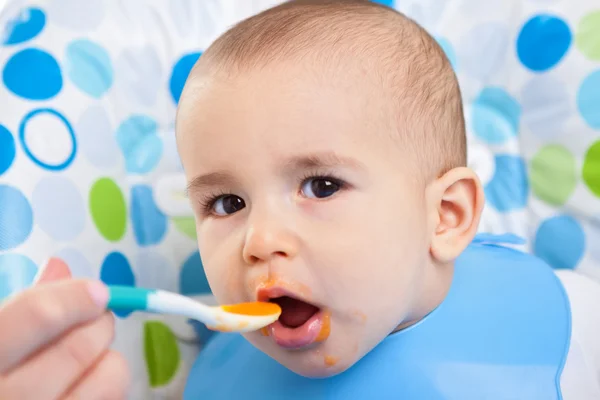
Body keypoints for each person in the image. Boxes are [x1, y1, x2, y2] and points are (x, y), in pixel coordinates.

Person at [0, 1, 599, 399]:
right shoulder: (216, 381)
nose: (259, 242)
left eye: (322, 186)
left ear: (446, 216)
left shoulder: (571, 322)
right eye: (227, 203)